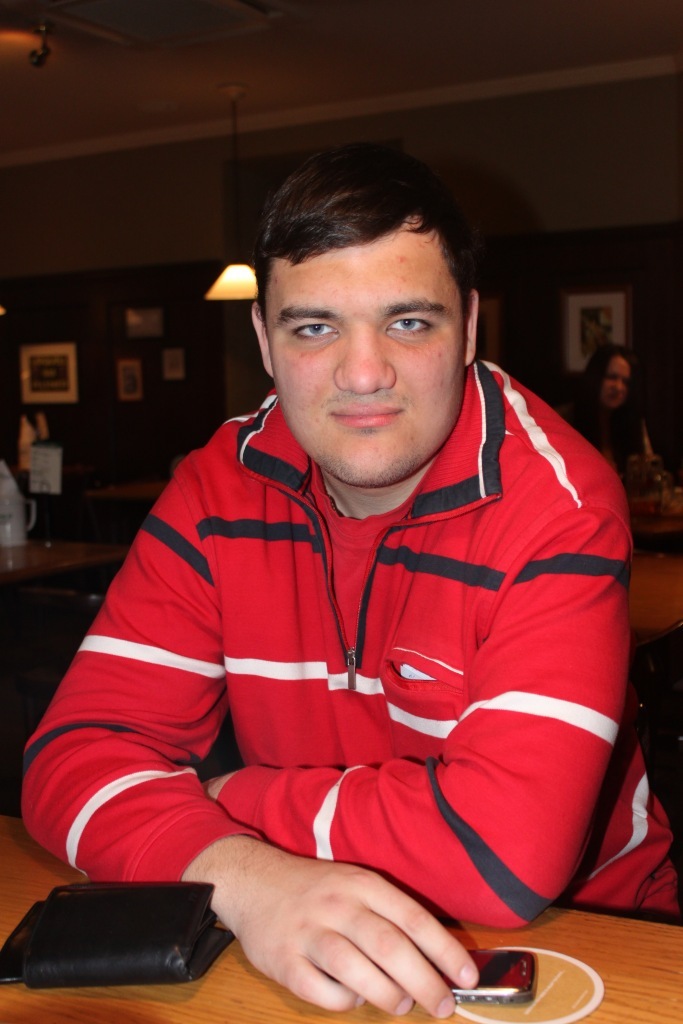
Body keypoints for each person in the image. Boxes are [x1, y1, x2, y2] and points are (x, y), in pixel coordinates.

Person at [22, 143, 678, 1017]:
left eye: (407, 322)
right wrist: (242, 875)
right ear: (264, 339)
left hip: (586, 936)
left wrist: (221, 802)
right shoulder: (215, 488)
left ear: (467, 326)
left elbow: (503, 854)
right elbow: (69, 757)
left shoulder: (559, 503)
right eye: (314, 327)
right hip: (297, 921)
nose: (363, 374)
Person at [572, 343, 652, 475]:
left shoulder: (629, 422)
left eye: (626, 382)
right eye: (612, 377)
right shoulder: (569, 420)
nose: (619, 387)